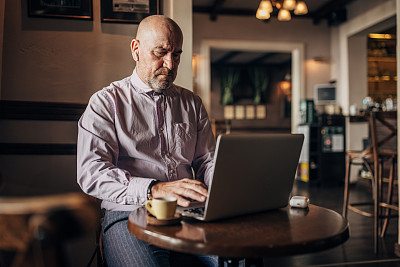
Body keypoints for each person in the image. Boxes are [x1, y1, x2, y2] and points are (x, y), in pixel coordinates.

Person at [77, 15, 217, 267]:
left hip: (189, 213)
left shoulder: (192, 103)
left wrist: (225, 188)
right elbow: (91, 173)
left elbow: (207, 161)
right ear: (136, 49)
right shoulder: (105, 103)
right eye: (161, 52)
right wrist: (154, 188)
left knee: (239, 259)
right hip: (128, 214)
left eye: (176, 55)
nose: (170, 64)